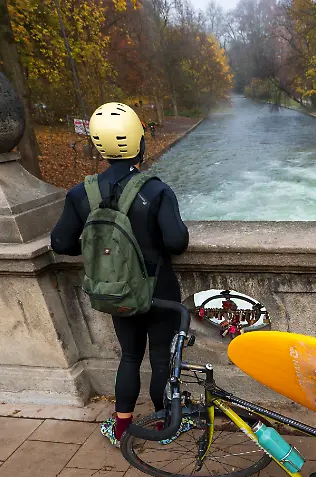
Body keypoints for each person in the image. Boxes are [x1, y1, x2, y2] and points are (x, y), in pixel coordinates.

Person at [50, 102, 189, 447]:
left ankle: (122, 428)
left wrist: (96, 249)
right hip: (158, 289)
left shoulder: (80, 193)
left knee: (129, 356)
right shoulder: (156, 190)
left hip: (115, 289)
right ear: (140, 142)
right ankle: (163, 425)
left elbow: (60, 243)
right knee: (161, 357)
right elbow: (177, 242)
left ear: (100, 147)